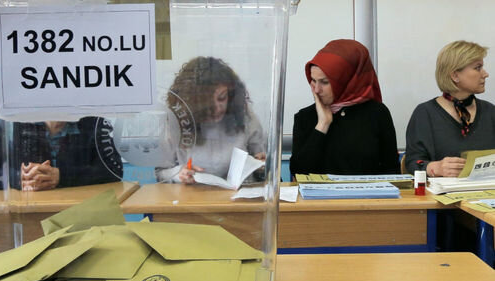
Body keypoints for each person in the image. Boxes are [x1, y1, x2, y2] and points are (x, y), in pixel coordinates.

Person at [290, 39, 400, 176]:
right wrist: (322, 125)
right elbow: (298, 173)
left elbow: (392, 171)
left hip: (368, 191)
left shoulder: (377, 114)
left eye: (324, 82)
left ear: (347, 80)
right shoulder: (305, 117)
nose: (316, 90)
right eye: (313, 80)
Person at [155, 56, 266, 184]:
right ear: (192, 103)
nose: (217, 108)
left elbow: (261, 162)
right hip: (193, 194)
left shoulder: (243, 115)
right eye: (207, 103)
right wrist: (178, 174)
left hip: (239, 193)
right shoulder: (178, 121)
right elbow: (161, 172)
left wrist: (262, 165)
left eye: (222, 98)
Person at [405, 40, 494, 177]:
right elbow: (412, 162)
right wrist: (434, 167)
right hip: (442, 190)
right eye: (478, 68)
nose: (485, 74)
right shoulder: (425, 113)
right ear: (455, 76)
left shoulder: (490, 111)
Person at [0, 117, 122, 190]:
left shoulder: (92, 125)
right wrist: (19, 178)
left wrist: (62, 176)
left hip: (83, 215)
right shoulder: (16, 127)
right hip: (32, 218)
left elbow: (113, 171)